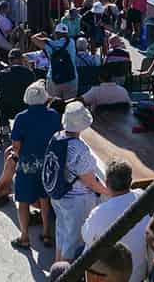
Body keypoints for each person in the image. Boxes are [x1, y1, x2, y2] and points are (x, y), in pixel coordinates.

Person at [46, 102, 110, 261]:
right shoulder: (79, 148)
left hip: (58, 195)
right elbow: (90, 182)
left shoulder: (57, 136)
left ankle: (57, 267)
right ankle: (66, 274)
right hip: (76, 200)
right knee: (74, 241)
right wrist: (109, 192)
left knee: (61, 233)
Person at [8, 81, 63, 251]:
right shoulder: (54, 115)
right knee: (45, 199)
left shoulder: (21, 117)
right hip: (48, 165)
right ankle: (46, 233)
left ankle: (24, 237)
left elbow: (16, 146)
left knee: (23, 201)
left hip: (27, 165)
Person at [82, 160, 148, 281]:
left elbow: (85, 236)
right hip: (138, 275)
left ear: (106, 183)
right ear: (130, 181)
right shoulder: (144, 197)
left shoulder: (99, 212)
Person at [0, 49, 36, 134]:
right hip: (24, 107)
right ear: (21, 60)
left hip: (7, 109)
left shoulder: (2, 74)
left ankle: (5, 125)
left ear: (10, 60)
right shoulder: (29, 73)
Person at [31, 23, 79, 99]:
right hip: (71, 79)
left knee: (54, 106)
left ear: (56, 33)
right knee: (69, 105)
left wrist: (41, 35)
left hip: (53, 80)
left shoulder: (49, 44)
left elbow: (33, 38)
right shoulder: (72, 42)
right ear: (66, 33)